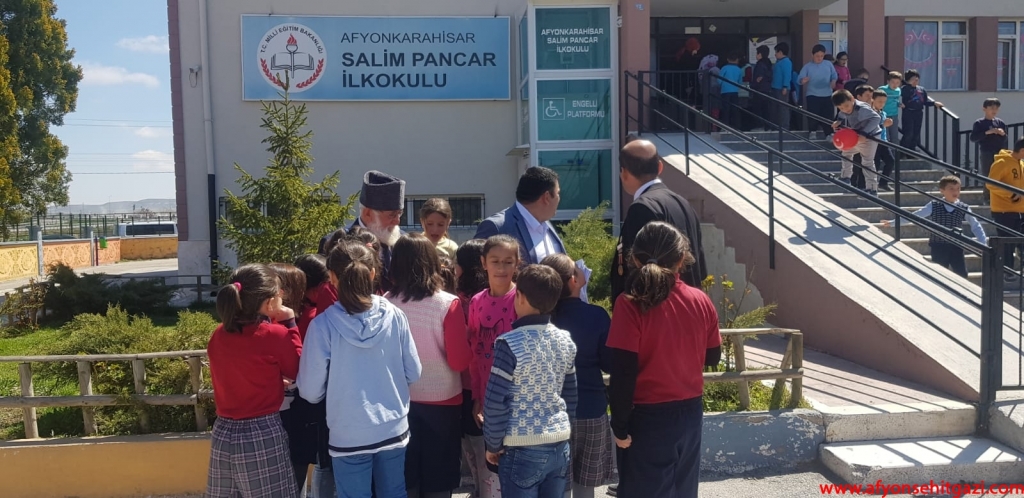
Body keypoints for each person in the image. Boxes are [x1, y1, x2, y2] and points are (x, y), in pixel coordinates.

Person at [297, 240, 422, 498]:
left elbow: (310, 391)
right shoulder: (395, 315)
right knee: (394, 492)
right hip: (393, 427)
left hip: (348, 433)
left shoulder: (322, 326)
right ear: (373, 273)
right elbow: (414, 372)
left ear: (332, 277)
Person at [607, 222, 721, 498]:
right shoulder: (701, 300)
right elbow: (712, 356)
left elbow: (623, 370)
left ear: (635, 259)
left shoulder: (629, 303)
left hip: (647, 418)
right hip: (690, 414)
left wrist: (619, 426)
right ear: (682, 258)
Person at [205, 264, 304, 498]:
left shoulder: (219, 334)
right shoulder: (274, 334)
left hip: (223, 431)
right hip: (261, 431)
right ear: (269, 303)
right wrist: (290, 323)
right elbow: (298, 368)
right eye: (279, 292)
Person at [386, 234, 473, 498]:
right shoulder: (447, 303)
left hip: (398, 400)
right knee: (439, 477)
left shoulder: (385, 303)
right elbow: (459, 361)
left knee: (406, 475)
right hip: (442, 401)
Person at [482, 264, 578, 498]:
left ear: (520, 297)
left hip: (521, 446)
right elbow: (571, 395)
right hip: (559, 443)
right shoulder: (565, 340)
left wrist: (493, 444)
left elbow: (495, 401)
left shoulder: (508, 343)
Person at [542, 254, 614, 498]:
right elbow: (609, 363)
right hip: (591, 409)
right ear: (574, 280)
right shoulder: (597, 315)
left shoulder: (543, 319)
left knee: (557, 485)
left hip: (552, 414)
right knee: (585, 487)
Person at [611, 139, 707, 304]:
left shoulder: (641, 208)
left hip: (658, 311)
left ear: (624, 173)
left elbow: (635, 274)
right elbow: (700, 269)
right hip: (690, 306)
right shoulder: (683, 204)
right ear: (660, 167)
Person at [467, 235, 522, 498]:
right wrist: (478, 396)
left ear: (517, 264)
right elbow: (474, 353)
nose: (501, 268)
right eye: (495, 261)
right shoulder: (476, 302)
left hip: (518, 399)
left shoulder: (522, 299)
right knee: (493, 466)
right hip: (488, 397)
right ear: (484, 263)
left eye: (508, 261)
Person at [291, 253, 338, 498]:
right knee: (321, 463)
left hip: (296, 399)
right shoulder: (315, 318)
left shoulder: (294, 314)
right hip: (314, 402)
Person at [882, 176, 987, 278]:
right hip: (938, 246)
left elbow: (975, 225)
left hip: (956, 246)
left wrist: (983, 243)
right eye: (951, 189)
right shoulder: (935, 204)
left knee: (962, 274)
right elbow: (916, 215)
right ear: (942, 191)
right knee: (940, 274)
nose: (955, 191)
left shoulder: (963, 207)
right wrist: (894, 223)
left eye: (958, 189)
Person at [320, 170, 407, 293]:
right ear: (367, 213)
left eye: (400, 214)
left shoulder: (404, 241)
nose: (397, 221)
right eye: (392, 215)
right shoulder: (335, 242)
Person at [453, 238, 492, 498]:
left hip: (466, 380)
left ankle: (481, 490)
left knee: (473, 440)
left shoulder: (461, 300)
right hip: (488, 378)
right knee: (481, 442)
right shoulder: (492, 296)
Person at [475, 167, 567, 265]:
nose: (559, 198)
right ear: (547, 197)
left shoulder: (545, 224)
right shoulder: (496, 227)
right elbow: (476, 269)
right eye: (558, 193)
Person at [986, 138, 1024, 283]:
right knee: (1007, 241)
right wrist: (1011, 194)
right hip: (1004, 210)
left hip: (1020, 209)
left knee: (1018, 239)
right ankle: (1007, 271)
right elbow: (991, 184)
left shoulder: (1021, 164)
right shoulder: (1002, 162)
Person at [832, 89, 883, 196]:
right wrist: (839, 121)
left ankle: (872, 189)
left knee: (867, 162)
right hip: (856, 135)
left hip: (870, 136)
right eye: (841, 108)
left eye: (846, 106)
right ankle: (845, 177)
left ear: (852, 99)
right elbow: (841, 114)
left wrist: (864, 133)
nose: (845, 109)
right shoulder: (844, 110)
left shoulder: (861, 108)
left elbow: (876, 118)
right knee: (846, 153)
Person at [798, 44, 839, 139]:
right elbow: (799, 79)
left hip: (827, 93)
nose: (819, 58)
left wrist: (833, 81)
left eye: (821, 56)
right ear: (812, 55)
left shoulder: (828, 64)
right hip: (812, 94)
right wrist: (803, 80)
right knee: (813, 114)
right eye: (817, 56)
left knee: (828, 115)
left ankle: (829, 133)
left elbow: (834, 75)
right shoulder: (807, 66)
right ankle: (812, 132)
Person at [900, 69, 943, 152]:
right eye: (913, 78)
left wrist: (934, 103)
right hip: (908, 112)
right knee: (908, 133)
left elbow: (925, 101)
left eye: (917, 78)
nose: (916, 80)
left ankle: (912, 151)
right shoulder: (905, 89)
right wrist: (909, 85)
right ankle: (903, 151)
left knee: (916, 133)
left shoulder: (921, 89)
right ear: (908, 79)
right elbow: (901, 95)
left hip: (918, 112)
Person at [970, 98, 1009, 188]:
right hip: (986, 152)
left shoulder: (1000, 122)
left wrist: (1002, 134)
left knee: (1001, 174)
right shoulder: (979, 123)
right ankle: (987, 195)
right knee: (987, 175)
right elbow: (973, 138)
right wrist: (987, 132)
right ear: (984, 109)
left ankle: (999, 194)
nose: (994, 110)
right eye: (991, 108)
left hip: (999, 152)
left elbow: (1005, 139)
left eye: (996, 108)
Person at [848, 84, 876, 190]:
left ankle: (866, 187)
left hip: (871, 140)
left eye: (872, 96)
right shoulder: (853, 109)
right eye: (867, 95)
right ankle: (853, 185)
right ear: (859, 97)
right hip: (857, 140)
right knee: (856, 163)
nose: (870, 98)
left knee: (868, 164)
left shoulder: (873, 109)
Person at [871, 89, 897, 192]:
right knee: (876, 164)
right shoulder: (870, 113)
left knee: (890, 161)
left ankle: (883, 183)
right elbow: (871, 128)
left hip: (883, 141)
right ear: (873, 100)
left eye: (884, 102)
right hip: (874, 141)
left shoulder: (883, 113)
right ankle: (872, 184)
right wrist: (883, 125)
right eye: (879, 101)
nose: (882, 104)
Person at [770, 43, 793, 131]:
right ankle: (776, 126)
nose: (775, 54)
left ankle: (784, 127)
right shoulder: (778, 62)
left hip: (782, 88)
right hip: (775, 87)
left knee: (783, 108)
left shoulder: (786, 62)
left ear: (780, 52)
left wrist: (785, 86)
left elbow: (787, 75)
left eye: (776, 52)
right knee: (775, 108)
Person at [717, 52, 743, 130]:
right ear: (737, 60)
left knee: (725, 109)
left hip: (725, 91)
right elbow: (740, 82)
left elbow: (719, 80)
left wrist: (721, 85)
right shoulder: (739, 69)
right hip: (735, 91)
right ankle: (736, 126)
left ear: (728, 59)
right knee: (735, 109)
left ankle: (725, 126)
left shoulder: (724, 68)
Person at [750, 45, 773, 131]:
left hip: (759, 90)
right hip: (767, 90)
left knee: (758, 109)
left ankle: (759, 126)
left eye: (757, 53)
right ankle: (767, 126)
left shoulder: (760, 64)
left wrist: (753, 85)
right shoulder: (769, 64)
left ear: (760, 54)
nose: (756, 55)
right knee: (766, 109)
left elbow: (759, 78)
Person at [881, 71, 903, 144]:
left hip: (894, 115)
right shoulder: (882, 89)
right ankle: (886, 150)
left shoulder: (898, 90)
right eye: (893, 82)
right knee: (885, 136)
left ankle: (895, 151)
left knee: (894, 136)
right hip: (884, 115)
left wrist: (899, 104)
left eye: (897, 82)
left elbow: (895, 100)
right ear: (888, 81)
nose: (895, 84)